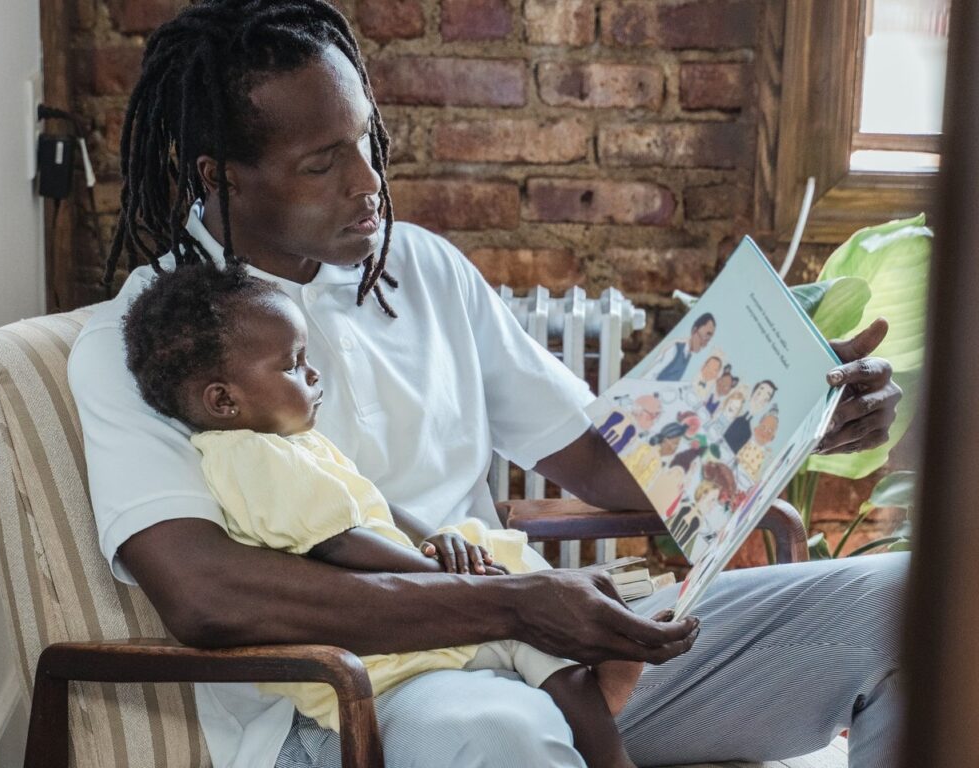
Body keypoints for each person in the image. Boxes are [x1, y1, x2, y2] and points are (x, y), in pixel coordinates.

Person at [68, 2, 907, 766]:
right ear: (220, 177)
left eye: (366, 141)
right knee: (498, 733)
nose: (368, 183)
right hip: (360, 699)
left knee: (911, 602)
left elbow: (608, 464)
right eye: (323, 164)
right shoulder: (135, 341)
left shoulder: (424, 268)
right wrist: (506, 607)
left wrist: (797, 412)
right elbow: (207, 594)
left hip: (545, 653)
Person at [121, 261, 643, 768]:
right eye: (293, 365)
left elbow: (375, 507)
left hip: (402, 609)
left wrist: (437, 539)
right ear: (223, 400)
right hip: (382, 653)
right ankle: (607, 744)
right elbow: (339, 542)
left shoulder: (287, 445)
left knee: (517, 586)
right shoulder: (254, 459)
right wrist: (448, 581)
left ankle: (589, 691)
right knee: (535, 632)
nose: (313, 372)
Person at [647, 312, 716, 381]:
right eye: (706, 336)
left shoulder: (688, 356)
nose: (705, 344)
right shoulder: (675, 348)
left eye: (708, 340)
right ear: (694, 330)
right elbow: (650, 375)